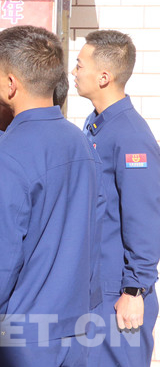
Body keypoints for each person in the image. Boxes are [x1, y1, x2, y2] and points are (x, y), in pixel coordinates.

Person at [0, 25, 100, 367]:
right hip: (75, 330)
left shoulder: (3, 155)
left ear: (10, 84)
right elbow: (94, 233)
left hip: (24, 339)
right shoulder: (80, 141)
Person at [72, 30, 160, 367]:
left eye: (80, 65)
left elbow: (145, 218)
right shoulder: (96, 125)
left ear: (104, 77)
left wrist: (135, 290)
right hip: (97, 287)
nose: (74, 72)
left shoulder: (131, 136)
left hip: (119, 293)